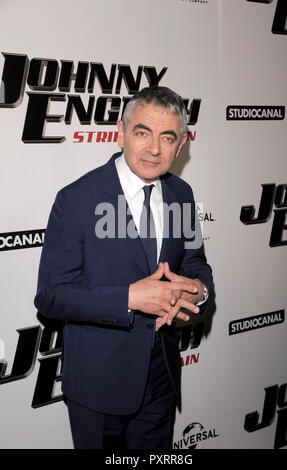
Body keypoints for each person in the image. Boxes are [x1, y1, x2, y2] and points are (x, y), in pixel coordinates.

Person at [34, 86, 213, 449]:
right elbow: (51, 297)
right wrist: (129, 297)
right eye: (142, 132)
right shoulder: (77, 199)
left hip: (161, 376)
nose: (154, 149)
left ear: (181, 146)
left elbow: (197, 264)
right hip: (98, 385)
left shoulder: (182, 194)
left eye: (168, 138)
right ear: (120, 132)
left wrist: (199, 291)